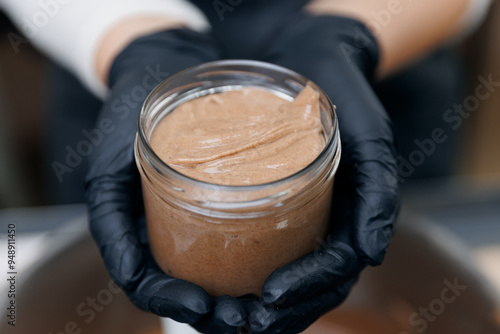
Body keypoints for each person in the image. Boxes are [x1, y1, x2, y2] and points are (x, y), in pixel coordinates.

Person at [0, 0, 491, 333]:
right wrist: (124, 34)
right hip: (121, 74)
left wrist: (351, 32)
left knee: (397, 269)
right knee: (98, 296)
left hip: (375, 69)